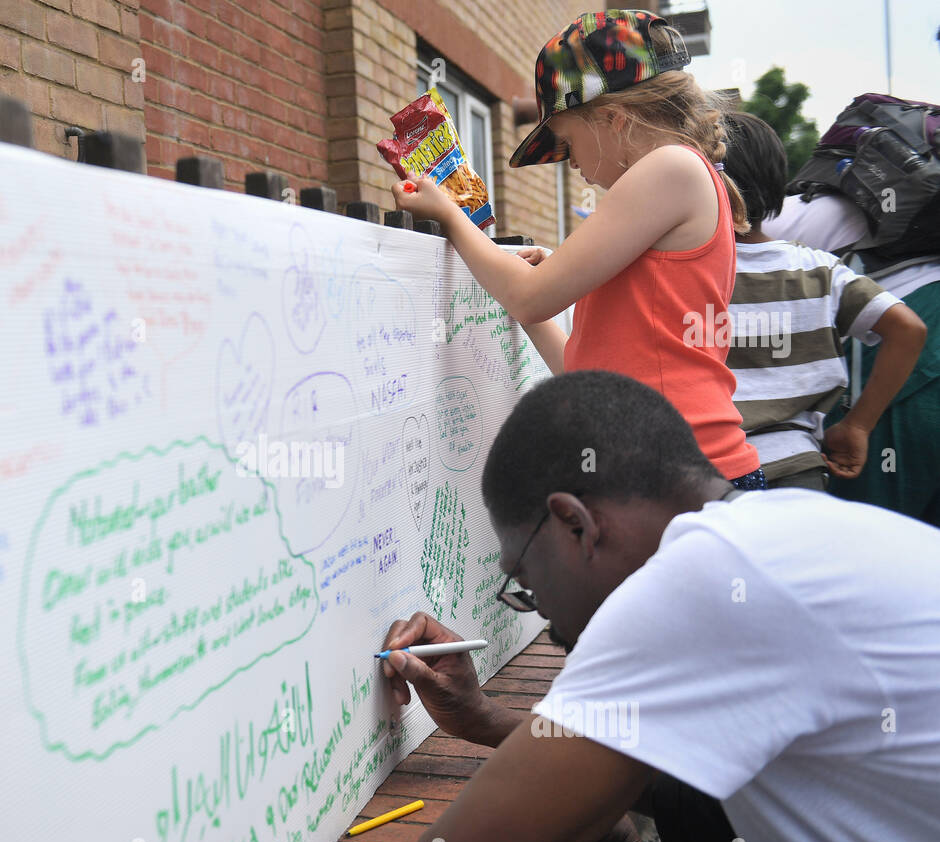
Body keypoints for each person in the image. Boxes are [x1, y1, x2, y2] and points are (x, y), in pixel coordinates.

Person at [380, 371, 940, 842]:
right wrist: (483, 719)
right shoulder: (783, 530)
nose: (541, 609)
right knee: (693, 809)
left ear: (575, 524)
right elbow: (680, 772)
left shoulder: (698, 578)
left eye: (525, 575)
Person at [393, 9, 765, 489]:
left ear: (613, 119)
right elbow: (576, 370)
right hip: (664, 475)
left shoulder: (671, 168)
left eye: (568, 144)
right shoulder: (677, 181)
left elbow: (531, 297)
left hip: (676, 478)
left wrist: (451, 216)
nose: (573, 167)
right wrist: (543, 282)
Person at [721, 111, 926, 489]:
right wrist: (858, 425)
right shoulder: (819, 269)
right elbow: (908, 330)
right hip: (799, 470)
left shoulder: (681, 274)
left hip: (705, 474)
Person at [766, 185, 940, 523]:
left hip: (902, 357)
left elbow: (908, 332)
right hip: (915, 340)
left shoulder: (774, 214)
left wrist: (858, 424)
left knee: (868, 533)